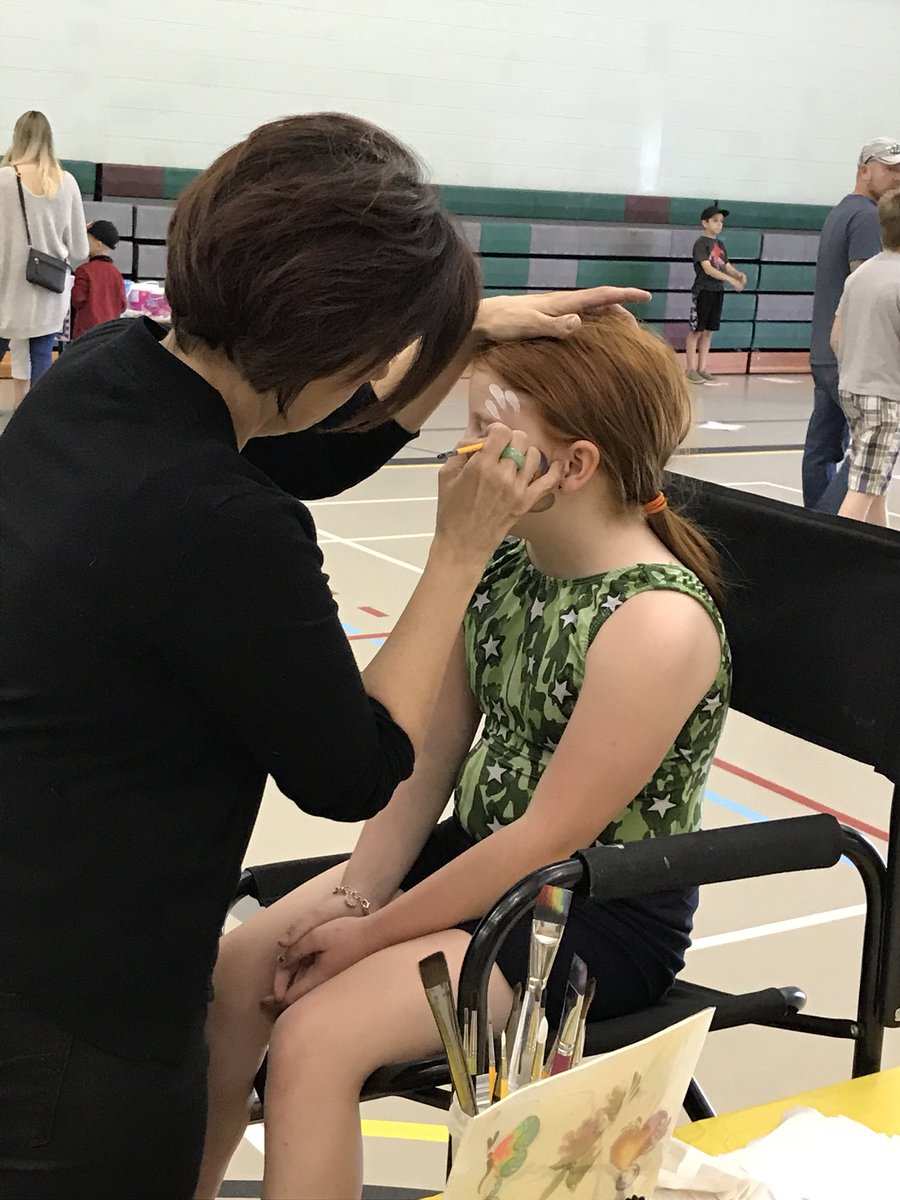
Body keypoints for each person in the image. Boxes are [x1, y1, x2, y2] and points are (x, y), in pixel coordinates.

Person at [0, 112, 645, 1199]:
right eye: (389, 355)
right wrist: (456, 553)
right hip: (82, 988)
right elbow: (355, 767)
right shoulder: (216, 517)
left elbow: (295, 447)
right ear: (337, 349)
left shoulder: (106, 372)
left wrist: (460, 328)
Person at [195, 311, 732, 1200]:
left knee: (314, 1039)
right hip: (479, 862)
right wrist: (359, 892)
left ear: (575, 465)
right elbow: (423, 767)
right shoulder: (504, 569)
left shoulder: (655, 622)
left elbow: (545, 841)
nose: (463, 458)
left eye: (488, 435)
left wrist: (365, 935)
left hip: (591, 908)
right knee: (239, 974)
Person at [803, 137, 900, 513]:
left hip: (827, 351)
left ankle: (814, 521)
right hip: (857, 358)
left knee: (823, 447)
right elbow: (869, 293)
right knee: (868, 455)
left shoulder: (841, 210)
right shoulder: (865, 216)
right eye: (889, 170)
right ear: (864, 170)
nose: (896, 178)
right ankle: (829, 529)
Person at [0, 110, 89, 406]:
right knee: (41, 359)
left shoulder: (3, 180)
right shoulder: (67, 182)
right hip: (48, 292)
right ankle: (32, 433)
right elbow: (80, 250)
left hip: (5, 291)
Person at [831, 189, 900, 526]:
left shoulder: (860, 274)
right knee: (860, 494)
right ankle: (833, 563)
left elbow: (836, 338)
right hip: (885, 396)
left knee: (874, 482)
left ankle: (883, 557)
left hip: (853, 389)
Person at [685, 203, 746, 385]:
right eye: (715, 221)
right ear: (705, 223)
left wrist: (737, 274)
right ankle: (690, 369)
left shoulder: (720, 244)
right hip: (703, 290)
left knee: (709, 331)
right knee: (697, 330)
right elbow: (708, 268)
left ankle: (702, 368)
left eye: (721, 221)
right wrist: (730, 280)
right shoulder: (701, 244)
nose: (719, 224)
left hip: (717, 291)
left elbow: (726, 265)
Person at [71, 219, 127, 338]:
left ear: (98, 243)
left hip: (86, 332)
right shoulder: (116, 273)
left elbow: (77, 299)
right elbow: (122, 305)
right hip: (110, 333)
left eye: (88, 239)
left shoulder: (84, 270)